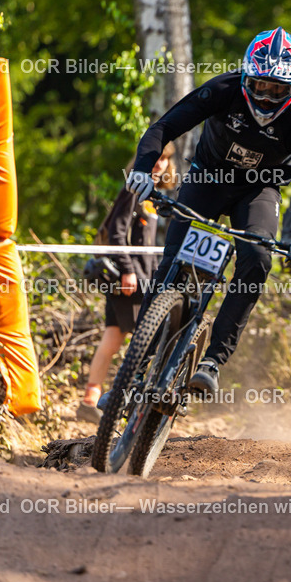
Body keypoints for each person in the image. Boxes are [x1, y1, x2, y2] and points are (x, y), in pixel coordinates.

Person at [125, 27, 291, 396]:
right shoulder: (223, 90)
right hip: (207, 179)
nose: (267, 97)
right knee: (171, 264)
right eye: (260, 85)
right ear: (244, 76)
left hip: (257, 191)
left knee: (256, 258)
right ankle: (130, 373)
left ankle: (212, 360)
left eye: (279, 89)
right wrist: (143, 168)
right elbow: (165, 127)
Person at [77, 144, 176, 423]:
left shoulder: (155, 198)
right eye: (155, 159)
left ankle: (90, 400)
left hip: (143, 279)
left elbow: (151, 246)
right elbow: (116, 235)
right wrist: (128, 271)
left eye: (165, 160)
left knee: (113, 335)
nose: (159, 165)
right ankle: (123, 399)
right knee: (142, 342)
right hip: (128, 280)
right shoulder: (133, 189)